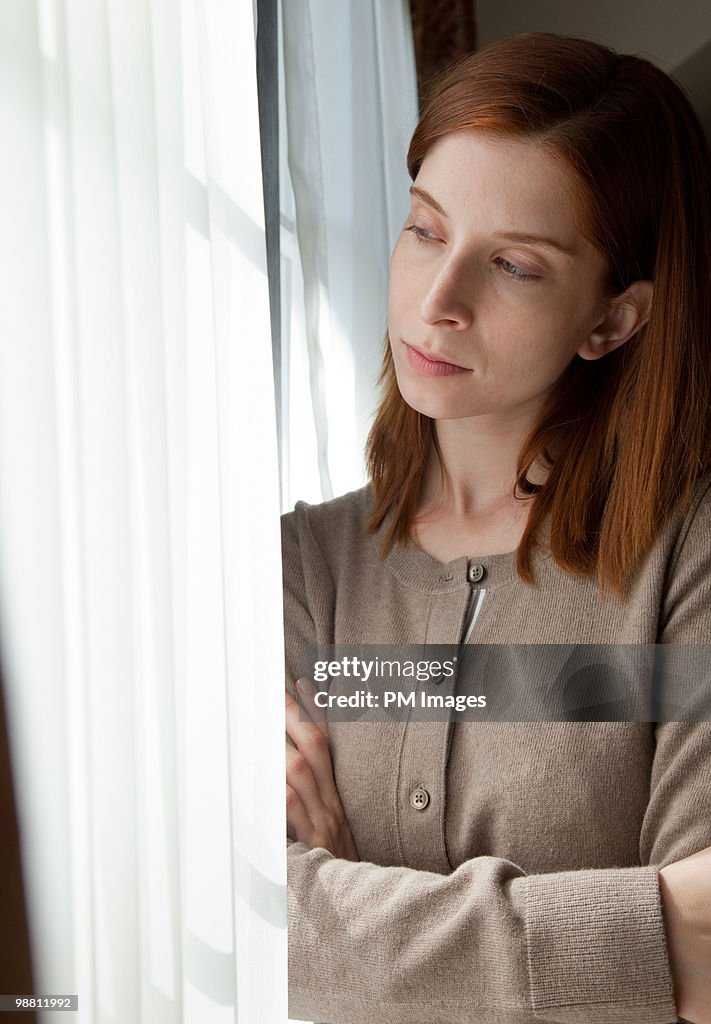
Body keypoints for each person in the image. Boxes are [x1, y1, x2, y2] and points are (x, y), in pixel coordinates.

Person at [282, 31, 711, 1024]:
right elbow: (250, 920)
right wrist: (640, 935)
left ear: (611, 320)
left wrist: (350, 919)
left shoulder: (688, 559)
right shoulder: (302, 570)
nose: (437, 302)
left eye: (513, 264)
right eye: (425, 228)